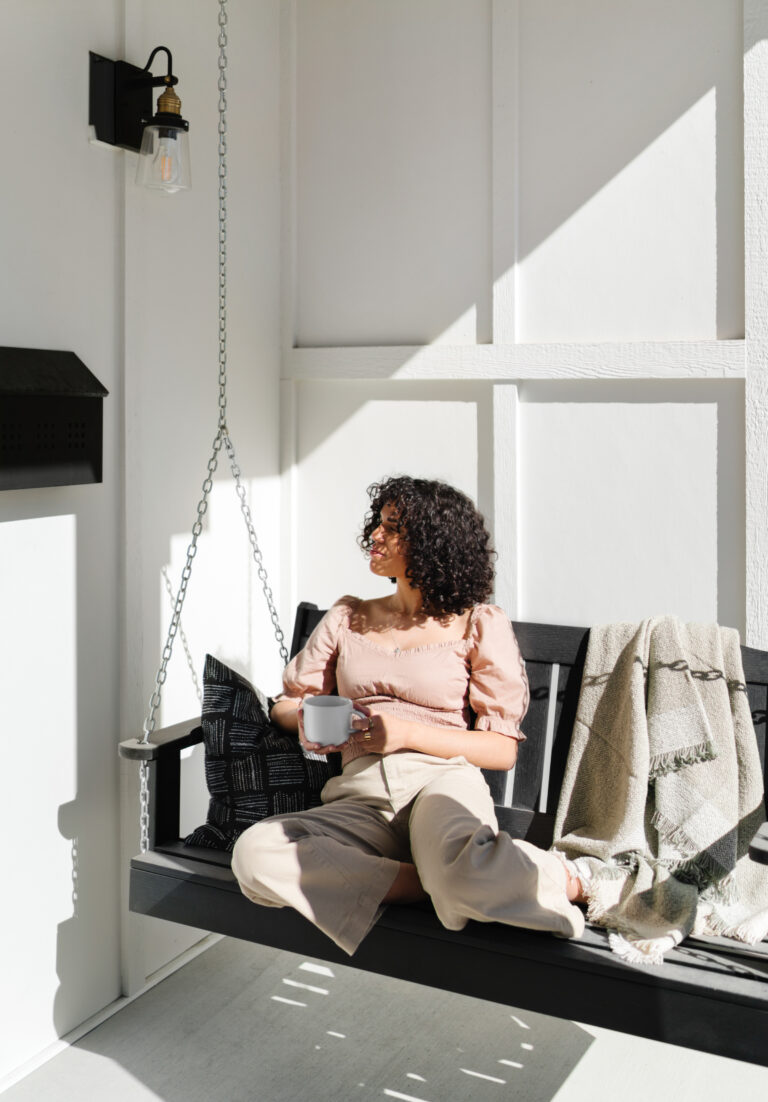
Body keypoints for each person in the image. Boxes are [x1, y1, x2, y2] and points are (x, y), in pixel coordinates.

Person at [232, 476, 585, 954]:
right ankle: (430, 882)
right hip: (359, 801)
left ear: (433, 544)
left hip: (441, 785)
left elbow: (501, 750)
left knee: (459, 869)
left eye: (392, 528)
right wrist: (309, 721)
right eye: (378, 524)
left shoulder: (477, 623)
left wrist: (404, 734)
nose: (375, 536)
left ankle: (574, 879)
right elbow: (287, 704)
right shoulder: (347, 617)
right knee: (256, 853)